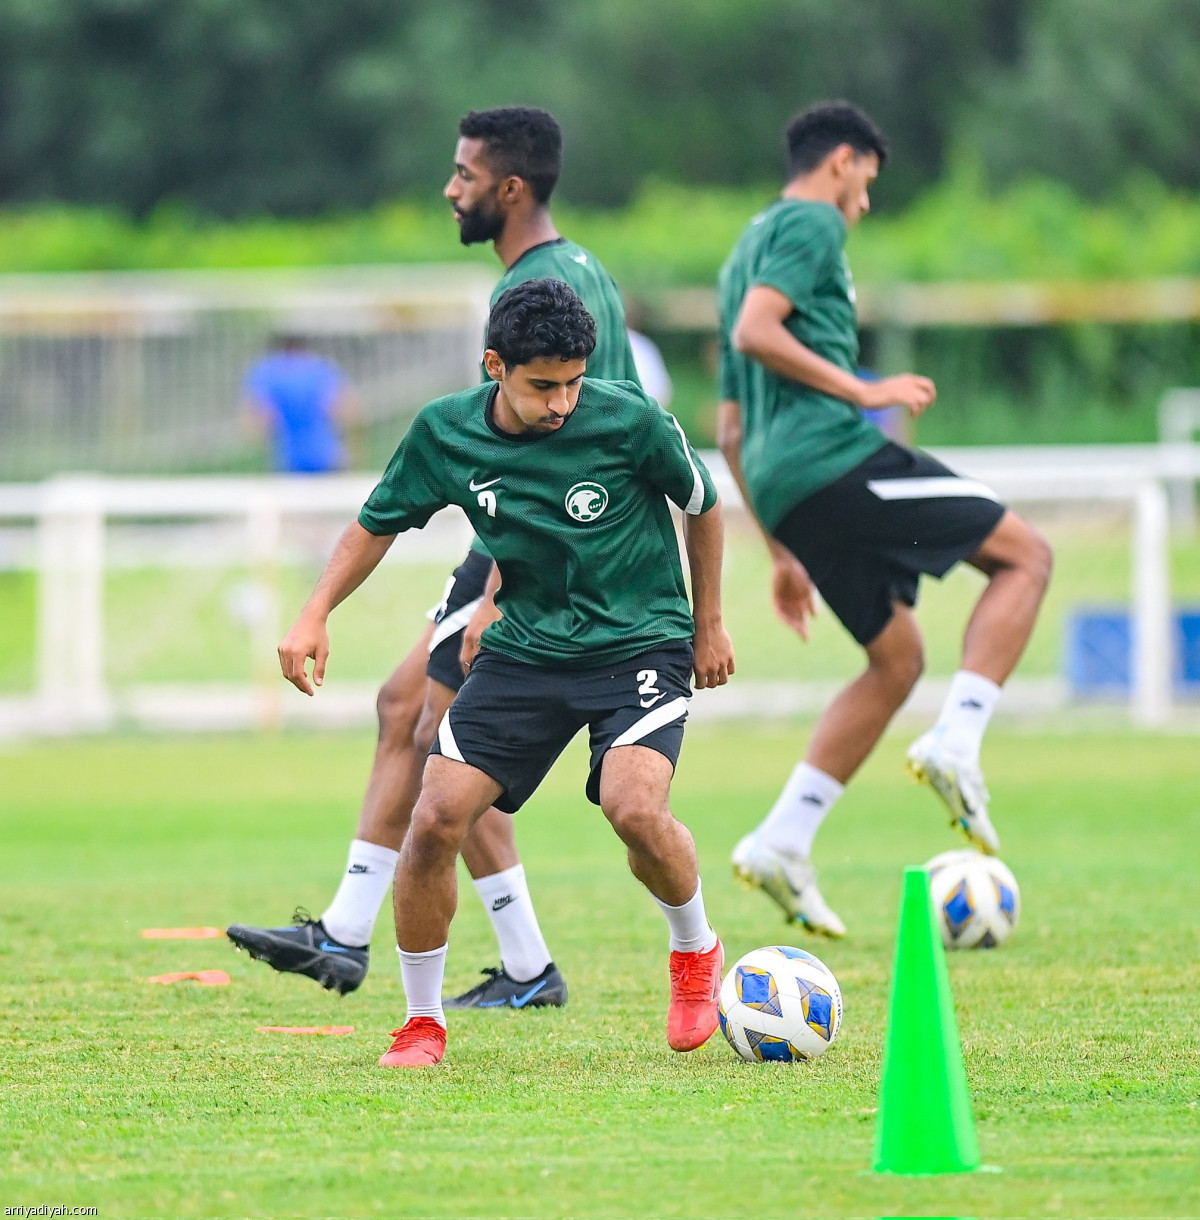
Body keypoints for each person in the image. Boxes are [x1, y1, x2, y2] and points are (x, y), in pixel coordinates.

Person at [227, 107, 642, 1009]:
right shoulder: (561, 274)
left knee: (444, 740)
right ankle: (375, 937)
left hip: (542, 555)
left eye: (462, 174)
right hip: (522, 544)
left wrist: (505, 584)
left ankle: (475, 959)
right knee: (403, 713)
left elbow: (585, 446)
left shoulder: (544, 286)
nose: (451, 189)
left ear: (510, 187)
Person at [277, 279, 734, 1067]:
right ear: (495, 365)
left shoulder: (628, 418)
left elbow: (704, 502)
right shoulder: (445, 433)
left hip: (639, 644)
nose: (562, 403)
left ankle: (694, 950)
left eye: (573, 382)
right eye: (542, 386)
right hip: (526, 649)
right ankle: (423, 1022)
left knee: (632, 807)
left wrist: (710, 622)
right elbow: (374, 523)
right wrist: (314, 611)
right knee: (434, 820)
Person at [716, 101, 1053, 936]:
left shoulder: (739, 254)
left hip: (787, 487)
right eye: (865, 182)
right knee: (1027, 556)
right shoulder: (811, 225)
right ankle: (959, 743)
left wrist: (780, 550)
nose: (863, 204)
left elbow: (729, 427)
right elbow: (760, 334)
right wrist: (865, 391)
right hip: (834, 458)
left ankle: (782, 840)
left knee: (896, 658)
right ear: (840, 161)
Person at [242, 333, 359, 473]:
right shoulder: (320, 368)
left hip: (288, 459)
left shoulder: (267, 371)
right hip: (326, 455)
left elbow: (262, 418)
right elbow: (347, 411)